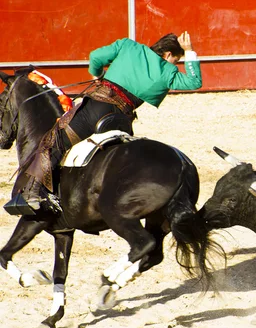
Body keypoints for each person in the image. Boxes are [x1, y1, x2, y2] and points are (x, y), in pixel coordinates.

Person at [11, 31, 202, 214]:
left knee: (54, 140)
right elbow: (194, 82)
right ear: (168, 54)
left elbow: (95, 57)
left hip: (96, 109)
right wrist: (190, 52)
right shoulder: (168, 72)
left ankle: (33, 193)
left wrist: (96, 74)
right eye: (177, 60)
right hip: (120, 121)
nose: (174, 64)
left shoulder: (128, 46)